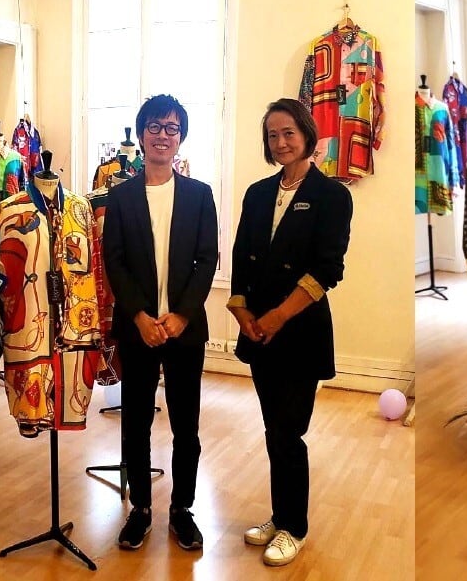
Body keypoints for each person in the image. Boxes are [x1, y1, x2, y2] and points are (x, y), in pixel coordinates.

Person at [228, 98, 352, 567]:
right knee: (273, 429)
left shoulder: (332, 196)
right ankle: (280, 516)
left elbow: (327, 269)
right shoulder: (258, 193)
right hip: (258, 331)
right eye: (272, 135)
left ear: (306, 135)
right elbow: (240, 256)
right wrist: (243, 315)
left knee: (288, 431)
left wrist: (277, 317)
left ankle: (294, 528)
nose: (280, 143)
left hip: (299, 332)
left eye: (288, 133)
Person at [104, 94, 220, 551]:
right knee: (135, 422)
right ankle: (141, 509)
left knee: (186, 425)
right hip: (138, 329)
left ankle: (182, 509)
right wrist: (139, 316)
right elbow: (114, 261)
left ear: (181, 137)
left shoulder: (198, 195)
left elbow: (206, 259)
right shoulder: (121, 196)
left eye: (171, 128)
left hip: (184, 329)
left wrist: (182, 314)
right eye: (154, 126)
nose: (162, 135)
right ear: (142, 134)